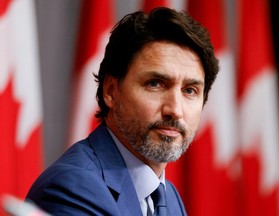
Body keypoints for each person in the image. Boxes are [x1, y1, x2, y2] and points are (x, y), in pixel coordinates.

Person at [26, 7, 219, 215]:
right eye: (155, 84)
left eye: (190, 90)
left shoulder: (170, 199)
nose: (175, 110)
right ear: (110, 91)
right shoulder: (71, 188)